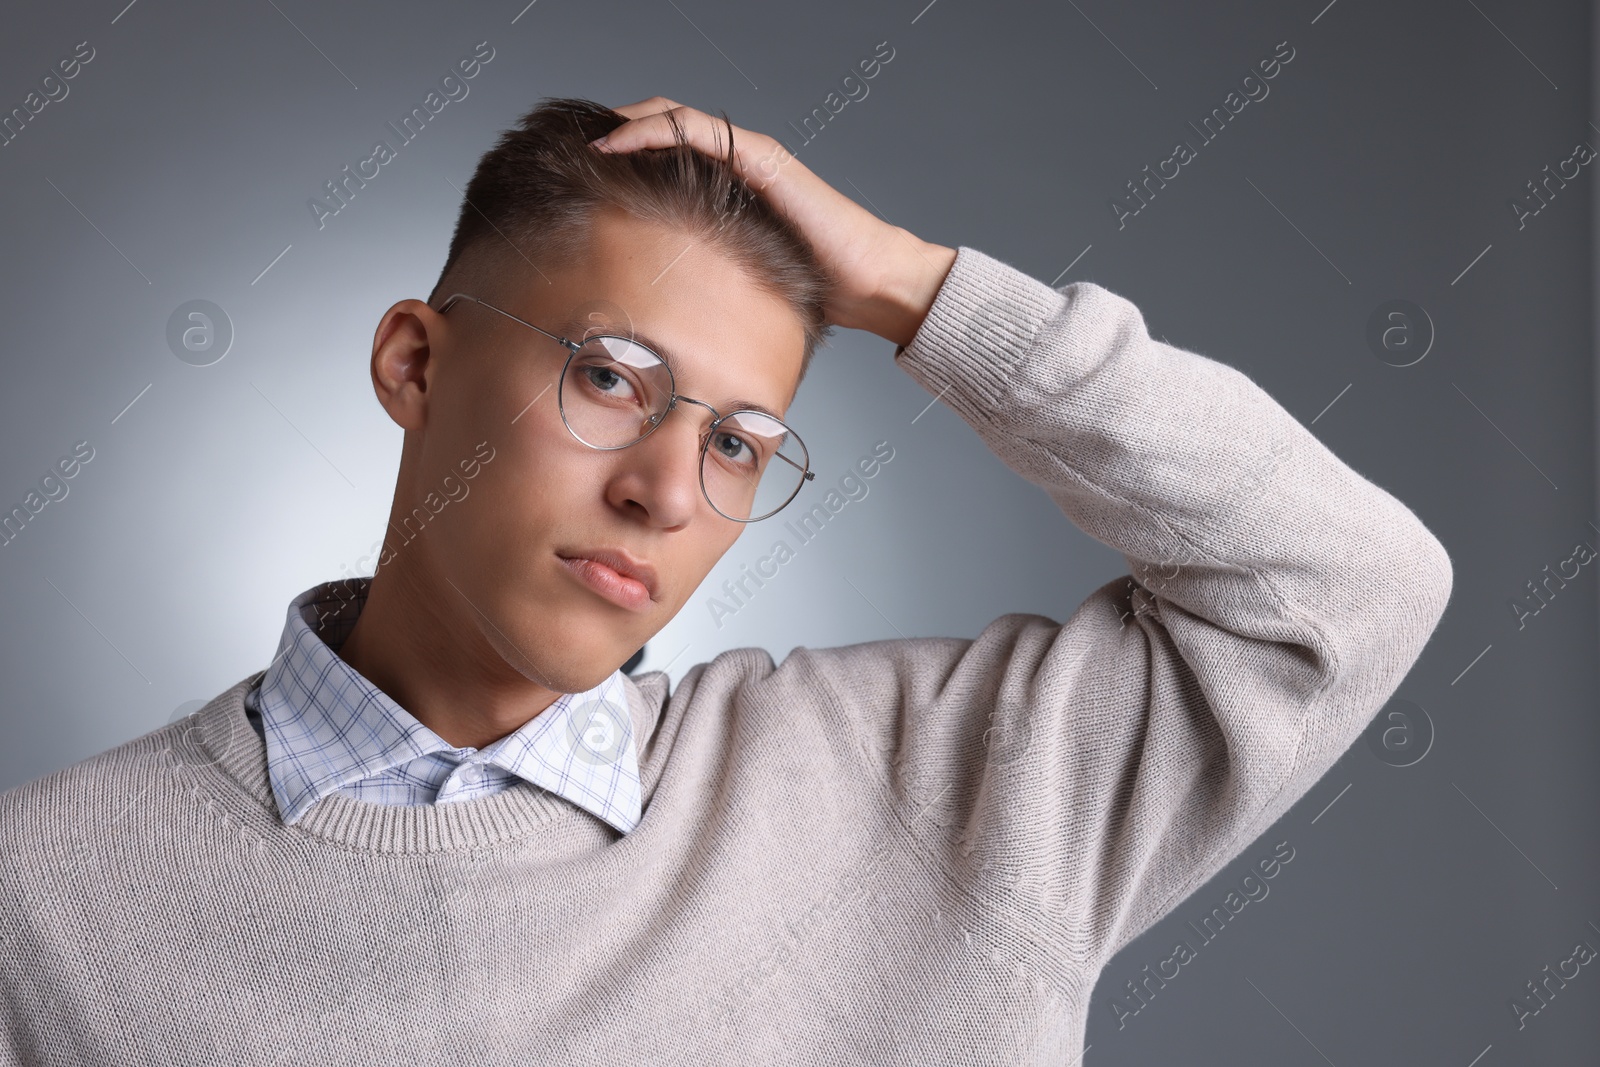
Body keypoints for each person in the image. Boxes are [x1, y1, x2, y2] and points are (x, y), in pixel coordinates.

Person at [0, 96, 1453, 1064]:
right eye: (610, 377)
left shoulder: (938, 792)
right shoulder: (46, 899)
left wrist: (910, 288)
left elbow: (1341, 581)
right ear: (415, 364)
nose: (666, 489)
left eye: (744, 444)